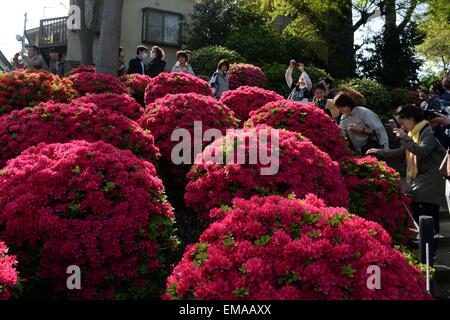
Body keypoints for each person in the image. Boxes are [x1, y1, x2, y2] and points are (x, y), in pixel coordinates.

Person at [367, 106, 447, 237]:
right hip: (424, 178)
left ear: (411, 118)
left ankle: (429, 240)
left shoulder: (428, 132)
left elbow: (422, 151)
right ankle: (426, 238)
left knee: (423, 207)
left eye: (403, 122)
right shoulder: (414, 133)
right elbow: (401, 151)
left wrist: (404, 137)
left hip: (432, 179)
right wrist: (379, 152)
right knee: (423, 209)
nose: (402, 126)